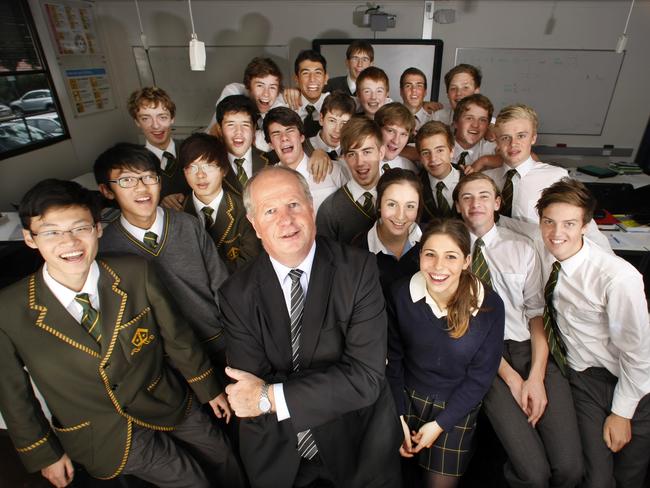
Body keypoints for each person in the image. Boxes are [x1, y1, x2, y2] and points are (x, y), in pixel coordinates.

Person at [0, 179, 243, 487]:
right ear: (30, 238)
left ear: (99, 228)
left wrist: (208, 388)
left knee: (222, 453)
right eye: (51, 232)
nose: (70, 243)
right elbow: (13, 394)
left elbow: (177, 337)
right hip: (99, 428)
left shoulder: (134, 272)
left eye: (80, 228)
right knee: (188, 478)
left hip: (162, 396)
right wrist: (43, 453)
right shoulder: (8, 309)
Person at [220, 165, 402, 488]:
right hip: (281, 450)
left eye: (293, 205)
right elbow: (248, 390)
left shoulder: (358, 270)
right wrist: (331, 379)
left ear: (311, 207)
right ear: (254, 224)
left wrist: (270, 396)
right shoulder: (236, 294)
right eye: (270, 210)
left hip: (356, 442)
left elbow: (366, 378)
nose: (285, 220)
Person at [454, 173, 583, 488]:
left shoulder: (523, 247)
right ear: (457, 206)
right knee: (534, 474)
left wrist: (535, 377)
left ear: (497, 203)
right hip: (489, 361)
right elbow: (465, 327)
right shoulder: (450, 255)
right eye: (467, 197)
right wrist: (513, 380)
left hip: (532, 350)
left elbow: (536, 314)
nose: (476, 204)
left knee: (570, 470)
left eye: (484, 195)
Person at [536, 178, 650, 488]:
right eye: (549, 222)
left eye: (569, 224)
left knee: (629, 475)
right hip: (584, 379)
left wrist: (622, 412)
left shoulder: (617, 278)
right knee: (597, 479)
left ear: (586, 225)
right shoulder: (545, 256)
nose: (557, 233)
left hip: (633, 380)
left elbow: (638, 354)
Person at [386, 218, 505, 488]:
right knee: (388, 475)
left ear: (466, 261)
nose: (438, 267)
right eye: (430, 255)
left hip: (456, 406)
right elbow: (393, 362)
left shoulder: (489, 305)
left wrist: (440, 424)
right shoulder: (400, 293)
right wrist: (398, 416)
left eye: (450, 257)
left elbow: (481, 377)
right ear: (419, 256)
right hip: (404, 397)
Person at [94, 143, 230, 372]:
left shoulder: (189, 225)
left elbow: (222, 284)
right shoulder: (105, 248)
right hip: (163, 362)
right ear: (107, 190)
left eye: (149, 177)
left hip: (216, 342)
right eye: (127, 180)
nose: (142, 188)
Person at [178, 132, 261, 273]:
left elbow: (250, 263)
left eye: (208, 166)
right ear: (184, 172)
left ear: (224, 170)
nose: (200, 175)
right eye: (192, 167)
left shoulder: (245, 209)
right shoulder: (176, 213)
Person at [263, 107, 346, 211]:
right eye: (276, 134)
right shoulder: (266, 183)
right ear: (270, 144)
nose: (284, 138)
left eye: (290, 130)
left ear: (302, 137)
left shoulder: (334, 170)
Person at [316, 115, 384, 243]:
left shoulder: (399, 195)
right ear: (345, 158)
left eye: (367, 152)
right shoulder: (330, 211)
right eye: (352, 154)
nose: (360, 162)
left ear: (381, 153)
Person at [354, 168, 423, 294]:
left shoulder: (431, 239)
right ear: (379, 204)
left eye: (410, 206)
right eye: (392, 204)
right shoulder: (356, 252)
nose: (400, 216)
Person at [127, 86, 189, 209]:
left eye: (162, 117)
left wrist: (187, 198)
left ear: (172, 118)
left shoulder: (191, 149)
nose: (155, 125)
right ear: (137, 122)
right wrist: (159, 201)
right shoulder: (132, 163)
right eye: (145, 118)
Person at [216, 94, 272, 197]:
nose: (239, 132)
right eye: (231, 125)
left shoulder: (272, 161)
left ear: (254, 129)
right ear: (220, 129)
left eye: (245, 125)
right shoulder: (211, 165)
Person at [416, 121, 461, 224]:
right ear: (420, 157)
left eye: (440, 150)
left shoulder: (470, 180)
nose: (433, 159)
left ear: (451, 151)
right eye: (426, 153)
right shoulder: (415, 187)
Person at [287, 50, 330, 138]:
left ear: (326, 78)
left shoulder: (336, 103)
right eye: (305, 73)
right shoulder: (285, 105)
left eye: (318, 73)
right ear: (296, 79)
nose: (312, 79)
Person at [451, 94, 499, 170]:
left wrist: (484, 161)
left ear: (488, 126)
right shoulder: (442, 147)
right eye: (469, 118)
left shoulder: (492, 150)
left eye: (482, 120)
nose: (475, 125)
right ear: (455, 123)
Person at [309, 91, 357, 160]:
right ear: (321, 119)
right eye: (332, 121)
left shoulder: (355, 151)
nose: (337, 130)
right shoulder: (302, 149)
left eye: (344, 123)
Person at [375, 102, 417, 174]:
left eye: (403, 134)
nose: (396, 141)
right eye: (390, 131)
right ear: (377, 129)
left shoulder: (410, 168)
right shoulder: (357, 164)